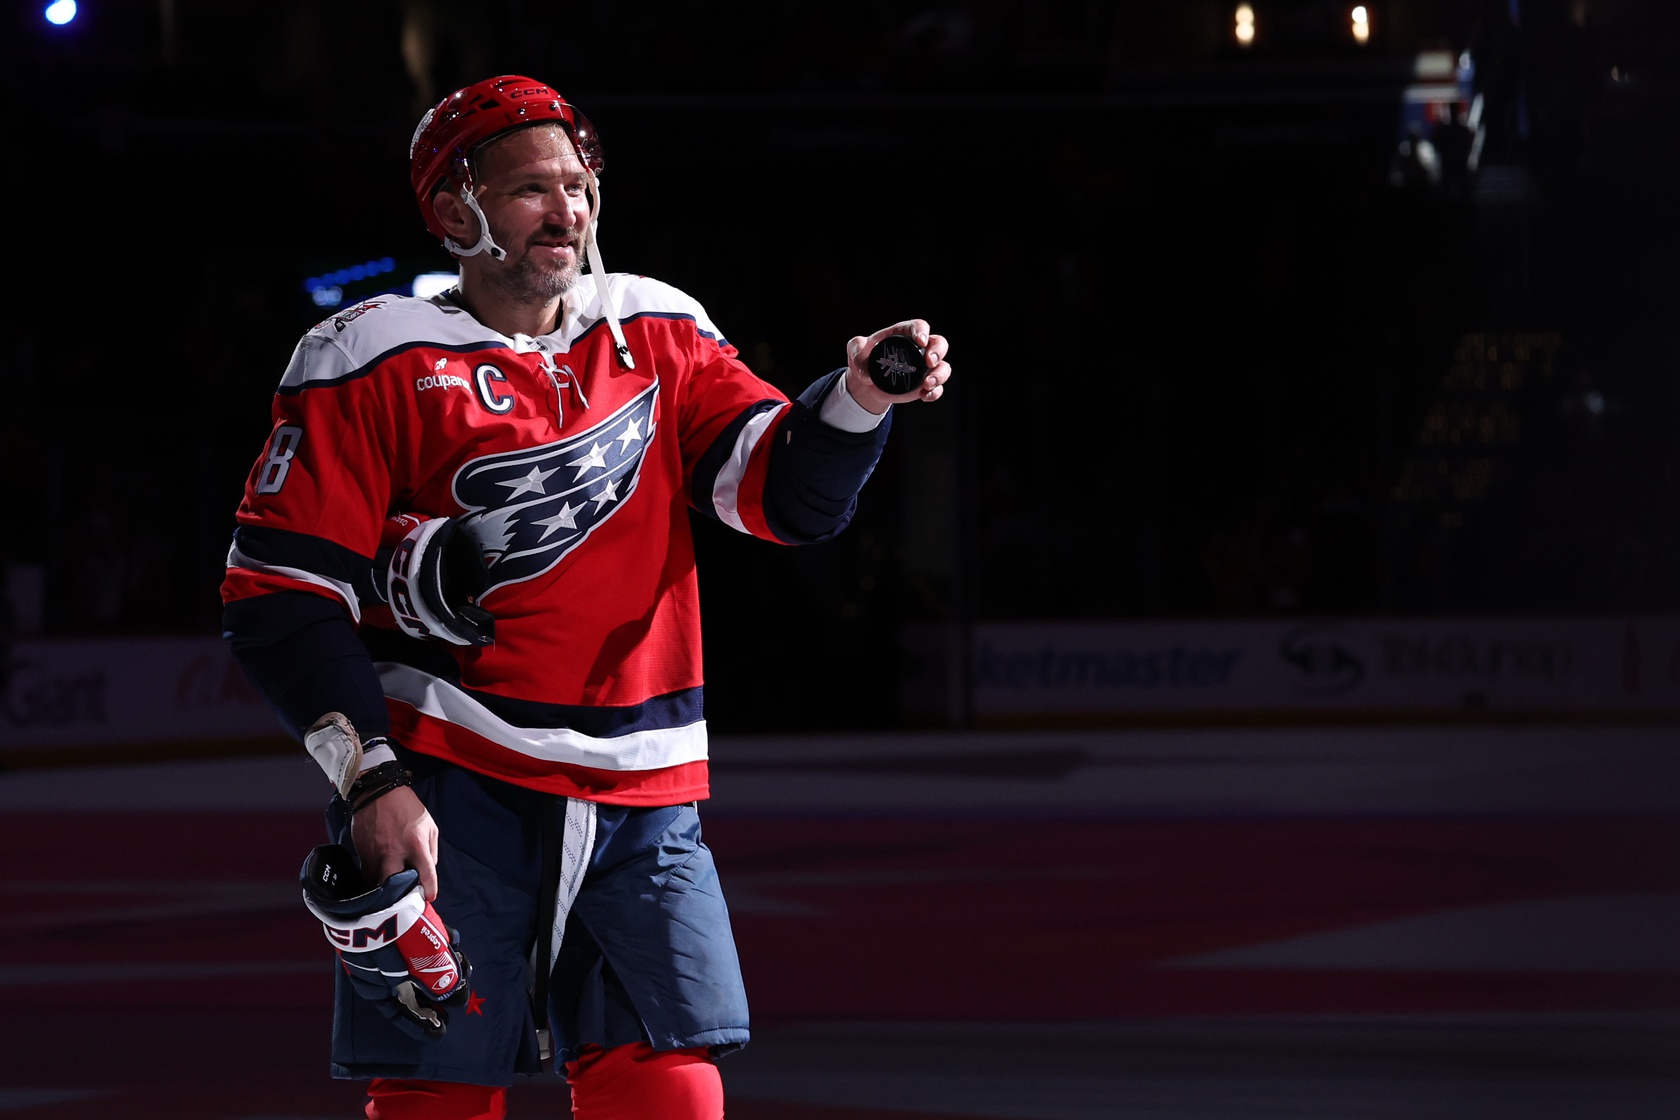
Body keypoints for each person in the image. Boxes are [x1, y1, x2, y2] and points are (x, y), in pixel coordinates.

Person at [221, 74, 952, 1120]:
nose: (565, 209)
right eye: (530, 189)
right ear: (453, 213)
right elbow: (279, 592)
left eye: (577, 184)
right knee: (436, 1095)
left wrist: (858, 399)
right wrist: (371, 779)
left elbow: (780, 498)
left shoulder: (657, 326)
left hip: (642, 790)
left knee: (671, 1089)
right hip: (452, 780)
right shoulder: (368, 355)